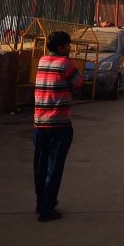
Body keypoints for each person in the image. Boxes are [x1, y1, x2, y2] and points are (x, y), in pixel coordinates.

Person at [33, 30, 83, 222]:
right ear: (61, 47)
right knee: (54, 167)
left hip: (40, 123)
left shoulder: (42, 61)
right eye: (69, 45)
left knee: (40, 165)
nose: (70, 49)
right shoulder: (66, 64)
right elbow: (79, 85)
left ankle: (41, 203)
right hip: (59, 124)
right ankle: (47, 208)